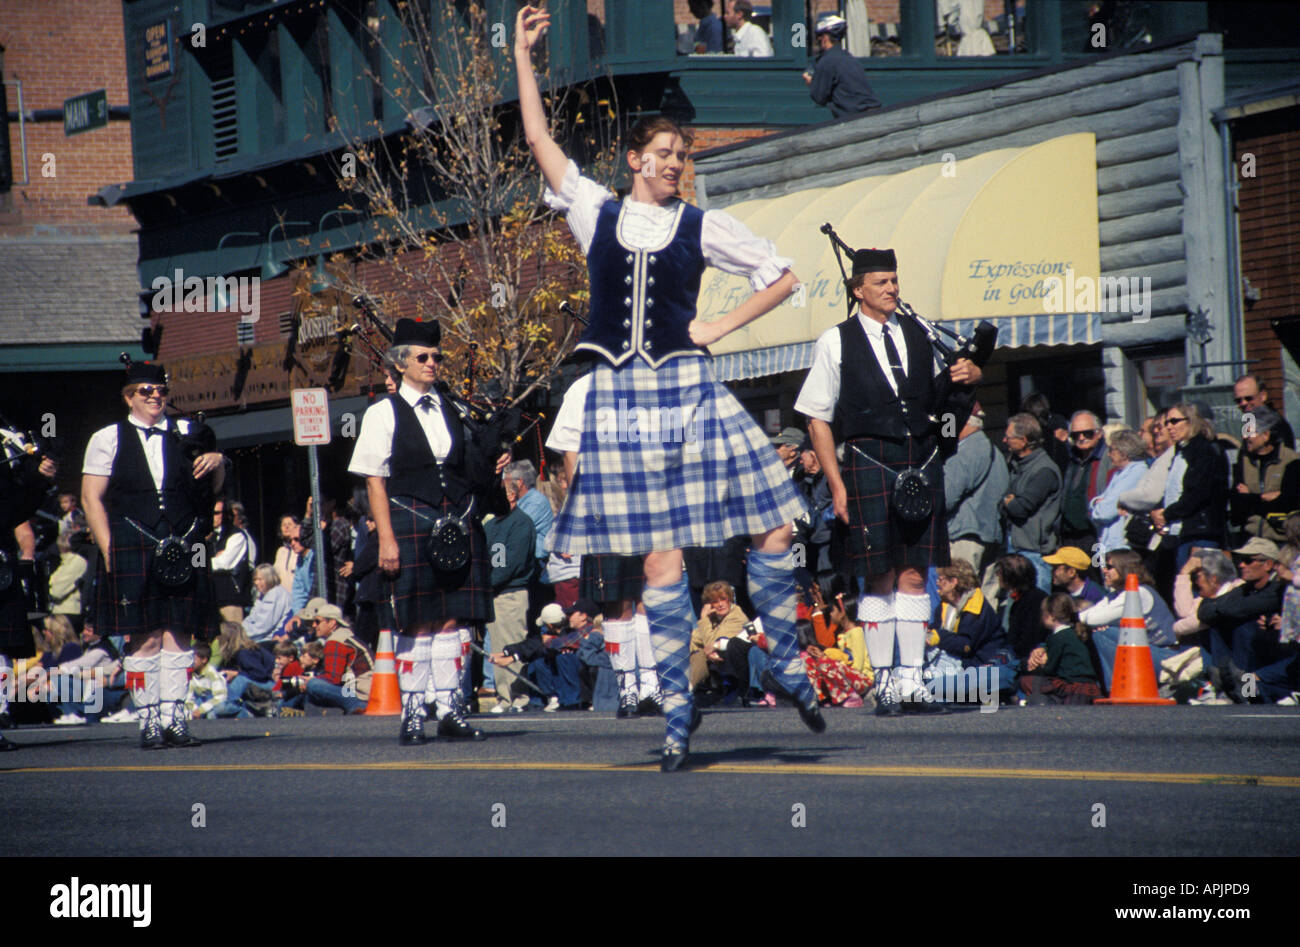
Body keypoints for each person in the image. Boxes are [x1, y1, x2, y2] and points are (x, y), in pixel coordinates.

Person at [517, 5, 823, 771]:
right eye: (662, 152)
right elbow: (539, 143)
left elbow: (783, 277)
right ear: (633, 160)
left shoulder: (704, 224)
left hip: (688, 389)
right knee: (660, 565)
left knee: (778, 522)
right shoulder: (597, 213)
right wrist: (524, 55)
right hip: (623, 401)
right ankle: (677, 718)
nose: (674, 162)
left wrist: (719, 328)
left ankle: (785, 657)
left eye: (682, 153)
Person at [796, 241, 985, 716]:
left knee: (914, 576)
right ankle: (883, 682)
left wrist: (970, 374)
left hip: (919, 462)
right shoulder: (835, 341)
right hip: (867, 462)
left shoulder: (918, 335)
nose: (891, 289)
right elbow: (817, 419)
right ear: (857, 289)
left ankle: (912, 680)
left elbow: (940, 400)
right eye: (880, 282)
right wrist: (836, 485)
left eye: (894, 281)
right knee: (877, 576)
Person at [347, 316, 507, 745]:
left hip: (456, 525)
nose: (432, 362)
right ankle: (414, 713)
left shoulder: (451, 409)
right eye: (423, 357)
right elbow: (374, 480)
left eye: (436, 356)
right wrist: (386, 538)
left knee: (451, 622)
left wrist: (491, 451)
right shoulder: (384, 412)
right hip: (408, 525)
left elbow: (466, 471)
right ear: (401, 363)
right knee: (416, 622)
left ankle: (450, 708)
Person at [81, 360, 224, 748]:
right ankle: (147, 720)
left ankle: (175, 718)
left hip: (185, 540)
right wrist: (108, 547)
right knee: (143, 638)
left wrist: (219, 462)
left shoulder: (188, 432)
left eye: (161, 390)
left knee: (179, 632)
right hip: (132, 540)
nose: (156, 397)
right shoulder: (107, 437)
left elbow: (211, 489)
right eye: (146, 391)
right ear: (129, 397)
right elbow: (90, 498)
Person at [0, 415, 59, 747]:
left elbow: (15, 509)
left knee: (2, 644)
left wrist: (39, 480)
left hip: (2, 551)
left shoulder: (9, 435)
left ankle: (0, 712)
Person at [1196, 537, 1288, 702]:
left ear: (1267, 564)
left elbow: (1236, 609)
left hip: (1278, 651)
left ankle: (1248, 692)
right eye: (1240, 560)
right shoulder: (1245, 589)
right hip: (1254, 649)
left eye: (1247, 561)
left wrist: (1221, 606)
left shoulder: (1277, 590)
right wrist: (1221, 606)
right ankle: (1223, 684)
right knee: (1217, 625)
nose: (1241, 565)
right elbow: (1205, 611)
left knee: (1243, 625)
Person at [1081, 549, 1179, 693]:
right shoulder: (1114, 595)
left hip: (1165, 657)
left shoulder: (1138, 592)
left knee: (1102, 633)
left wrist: (1086, 621)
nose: (1104, 571)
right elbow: (1088, 615)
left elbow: (1092, 619)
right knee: (1101, 631)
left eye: (1109, 567)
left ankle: (1113, 689)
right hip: (1147, 654)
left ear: (1124, 567)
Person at [1150, 402, 1228, 570]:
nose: (1169, 427)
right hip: (1183, 532)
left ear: (1190, 421)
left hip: (1201, 532)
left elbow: (1199, 493)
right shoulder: (1181, 451)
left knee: (1202, 585)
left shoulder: (1204, 450)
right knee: (1183, 586)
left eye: (1174, 421)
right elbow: (1173, 489)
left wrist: (1168, 514)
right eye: (1166, 423)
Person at [484, 471, 536, 714]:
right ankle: (503, 697)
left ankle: (518, 697)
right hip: (493, 593)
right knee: (496, 645)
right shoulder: (492, 524)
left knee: (512, 645)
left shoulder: (521, 523)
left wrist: (489, 583)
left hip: (511, 593)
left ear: (512, 495)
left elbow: (512, 563)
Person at [926, 558, 1007, 704]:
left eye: (941, 579)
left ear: (953, 582)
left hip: (979, 663)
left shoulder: (976, 609)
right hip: (953, 660)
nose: (937, 582)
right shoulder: (945, 606)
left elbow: (965, 646)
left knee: (931, 685)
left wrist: (938, 637)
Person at [943, 403, 1008, 581]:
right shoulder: (995, 451)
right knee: (984, 602)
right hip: (991, 537)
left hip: (965, 538)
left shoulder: (965, 450)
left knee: (959, 599)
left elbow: (946, 497)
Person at [1000, 413, 1062, 594]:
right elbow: (1005, 499)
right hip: (1017, 549)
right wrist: (1008, 500)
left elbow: (1020, 508)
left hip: (1034, 552)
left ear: (1023, 440)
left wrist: (1010, 502)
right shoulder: (1016, 464)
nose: (1004, 440)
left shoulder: (1044, 470)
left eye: (1008, 437)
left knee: (1036, 609)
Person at [1230, 407, 1299, 545]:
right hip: (1251, 539)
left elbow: (1288, 504)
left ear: (1266, 435)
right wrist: (1265, 497)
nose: (1244, 437)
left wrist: (1250, 497)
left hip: (1282, 539)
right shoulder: (1244, 461)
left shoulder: (1291, 460)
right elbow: (1237, 506)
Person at [1021, 594, 1102, 704]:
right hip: (1091, 687)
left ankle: (1035, 701)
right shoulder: (1077, 632)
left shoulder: (1058, 637)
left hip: (1072, 688)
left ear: (1051, 615)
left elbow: (1050, 669)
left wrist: (1040, 665)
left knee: (1027, 681)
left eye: (1043, 612)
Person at [301, 601, 374, 714]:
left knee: (313, 685)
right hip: (366, 690)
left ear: (331, 623)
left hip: (361, 695)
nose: (314, 625)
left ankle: (355, 706)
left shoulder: (335, 641)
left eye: (317, 621)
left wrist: (311, 680)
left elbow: (333, 678)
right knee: (310, 694)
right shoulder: (345, 636)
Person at [804, 13, 881, 120]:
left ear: (825, 37)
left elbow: (819, 98)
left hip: (854, 118)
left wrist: (812, 82)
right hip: (874, 114)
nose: (818, 40)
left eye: (819, 36)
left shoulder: (827, 60)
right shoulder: (849, 58)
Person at [1088, 428, 1149, 555]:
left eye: (1111, 450)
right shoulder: (1119, 474)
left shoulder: (1136, 473)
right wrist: (1096, 503)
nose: (1108, 455)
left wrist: (1099, 505)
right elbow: (1096, 504)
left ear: (1124, 452)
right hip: (1108, 544)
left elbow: (1105, 512)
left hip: (1121, 545)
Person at [1058, 411, 1112, 552]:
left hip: (1095, 533)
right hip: (1069, 535)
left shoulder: (1108, 457)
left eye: (1087, 433)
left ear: (1099, 433)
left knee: (1097, 570)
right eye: (1076, 435)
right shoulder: (1071, 459)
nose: (1081, 438)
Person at [209, 498, 251, 623]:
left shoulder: (237, 535)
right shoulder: (202, 537)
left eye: (216, 513)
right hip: (208, 598)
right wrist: (212, 559)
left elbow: (224, 563)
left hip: (230, 598)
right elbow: (196, 564)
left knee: (232, 638)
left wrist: (208, 560)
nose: (212, 516)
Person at [1234, 374, 1295, 450]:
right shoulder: (1251, 422)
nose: (1243, 403)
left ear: (1263, 396)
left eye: (1249, 398)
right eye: (1238, 400)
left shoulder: (1275, 426)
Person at [47, 533, 88, 633]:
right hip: (57, 611)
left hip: (68, 613)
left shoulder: (77, 561)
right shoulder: (63, 562)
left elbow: (57, 591)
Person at [242, 563, 292, 643]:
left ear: (269, 579)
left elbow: (264, 626)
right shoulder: (263, 594)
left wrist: (241, 635)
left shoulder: (275, 594)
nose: (256, 583)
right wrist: (240, 629)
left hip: (270, 639)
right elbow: (252, 617)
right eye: (255, 579)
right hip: (259, 636)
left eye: (260, 579)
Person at [185, 642, 227, 720]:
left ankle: (242, 712)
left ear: (204, 660)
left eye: (193, 659)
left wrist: (201, 710)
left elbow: (220, 696)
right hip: (203, 700)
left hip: (221, 699)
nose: (190, 662)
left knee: (215, 711)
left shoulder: (211, 673)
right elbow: (189, 696)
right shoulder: (191, 673)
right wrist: (192, 711)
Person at [272, 515, 301, 589]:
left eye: (290, 524)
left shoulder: (300, 549)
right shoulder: (281, 551)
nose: (286, 527)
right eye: (284, 525)